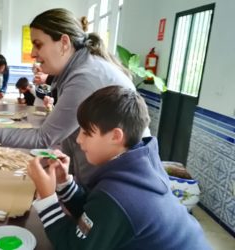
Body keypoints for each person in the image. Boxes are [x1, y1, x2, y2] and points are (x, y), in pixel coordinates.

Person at [0, 8, 134, 186]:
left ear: (64, 43)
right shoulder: (75, 69)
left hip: (114, 186)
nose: (33, 54)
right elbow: (66, 135)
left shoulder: (86, 76)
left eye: (38, 44)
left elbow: (44, 137)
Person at [27, 86, 210, 250]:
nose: (78, 139)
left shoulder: (119, 194)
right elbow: (98, 216)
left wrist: (47, 198)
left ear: (115, 136)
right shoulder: (140, 165)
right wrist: (64, 183)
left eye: (87, 132)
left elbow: (73, 246)